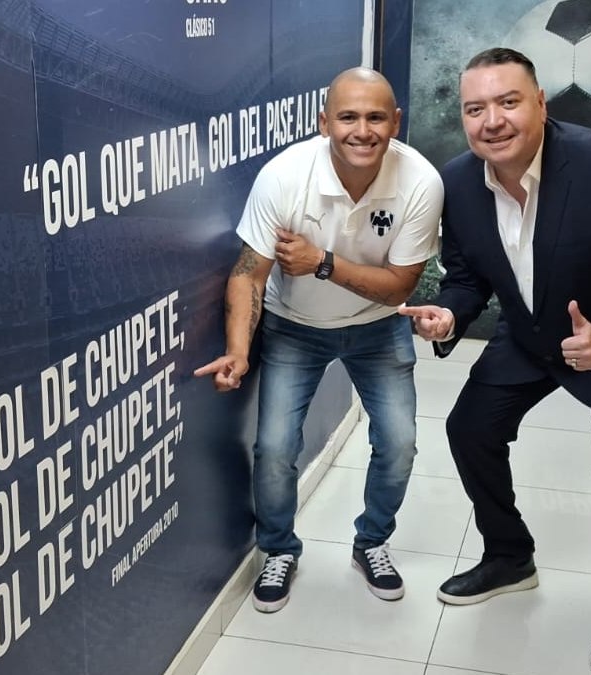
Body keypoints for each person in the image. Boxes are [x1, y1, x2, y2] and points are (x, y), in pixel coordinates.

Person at [399, 48, 591, 674]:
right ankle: (509, 555)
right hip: (530, 336)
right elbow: (468, 274)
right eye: (475, 109)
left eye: (508, 102)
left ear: (541, 104)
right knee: (469, 430)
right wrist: (451, 314)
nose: (492, 122)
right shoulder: (457, 180)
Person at [194, 67, 443, 613]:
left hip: (378, 328)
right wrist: (238, 350)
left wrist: (322, 263)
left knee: (399, 443)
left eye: (376, 117)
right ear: (323, 120)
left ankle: (371, 543)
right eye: (348, 116)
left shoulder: (421, 182)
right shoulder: (285, 176)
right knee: (276, 449)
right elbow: (247, 271)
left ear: (396, 122)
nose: (362, 130)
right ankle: (278, 550)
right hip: (294, 330)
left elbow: (401, 285)